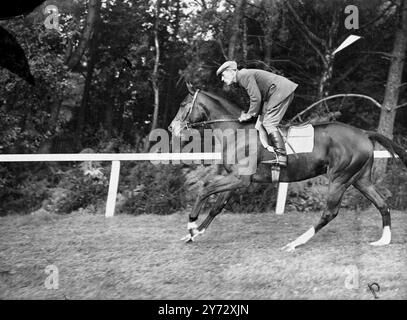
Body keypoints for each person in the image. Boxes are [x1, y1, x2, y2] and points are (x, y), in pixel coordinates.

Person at [216, 61, 298, 167]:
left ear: (231, 71)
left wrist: (249, 115)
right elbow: (256, 98)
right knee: (260, 123)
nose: (222, 79)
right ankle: (270, 151)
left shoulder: (243, 76)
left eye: (223, 75)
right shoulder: (242, 77)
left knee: (268, 123)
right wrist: (252, 114)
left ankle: (281, 155)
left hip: (280, 91)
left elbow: (256, 98)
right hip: (274, 93)